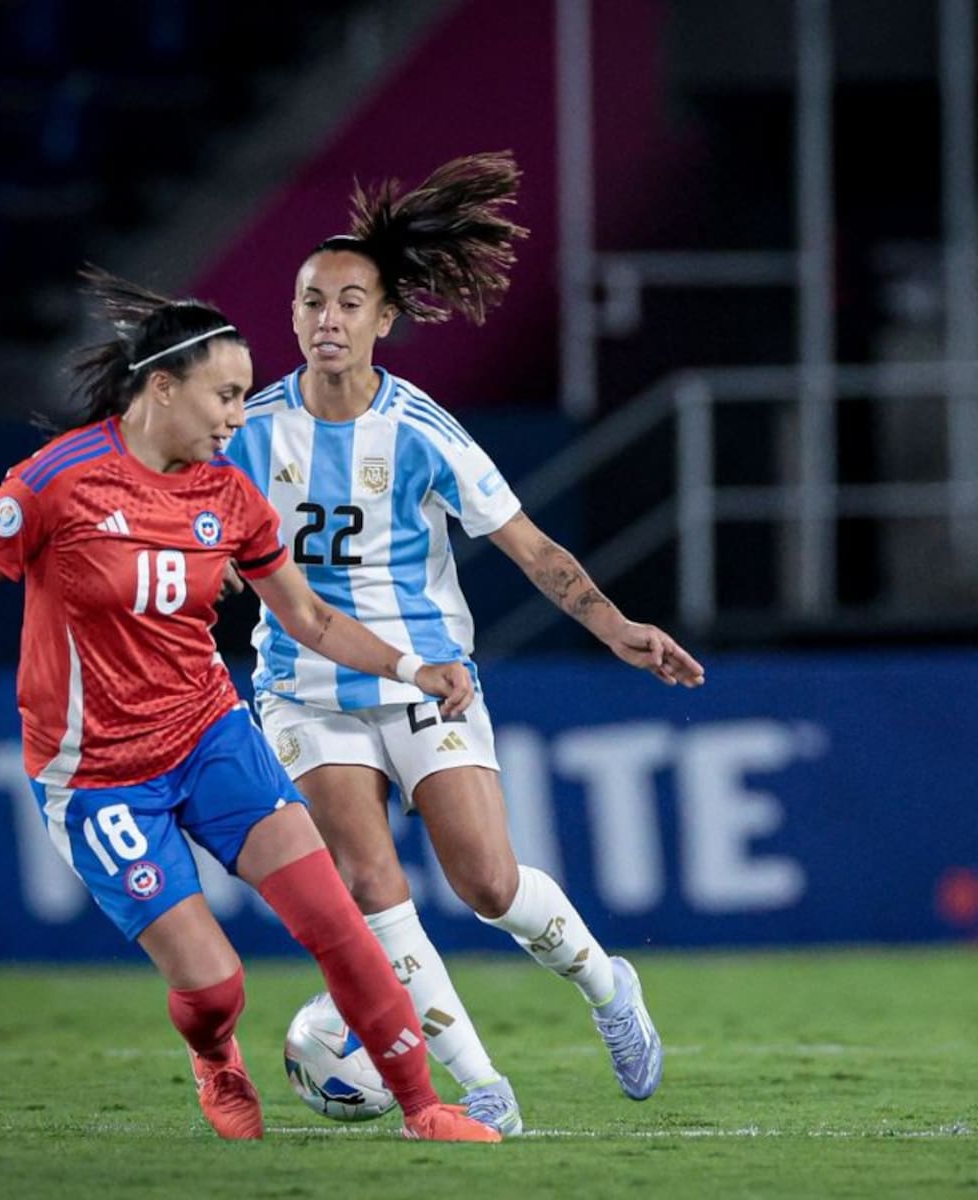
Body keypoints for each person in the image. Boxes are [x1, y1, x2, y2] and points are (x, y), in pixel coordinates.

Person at [0, 269, 500, 1145]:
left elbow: (311, 616)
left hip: (211, 738)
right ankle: (216, 1055)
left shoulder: (228, 494)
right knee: (216, 987)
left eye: (244, 397)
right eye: (224, 395)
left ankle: (424, 1108)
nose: (235, 415)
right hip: (96, 777)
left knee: (336, 921)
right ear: (162, 387)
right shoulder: (56, 481)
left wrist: (415, 664)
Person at [224, 152, 706, 1136]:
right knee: (371, 886)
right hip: (305, 694)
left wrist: (615, 626)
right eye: (310, 299)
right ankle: (479, 1085)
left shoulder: (421, 431)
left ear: (384, 318)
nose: (326, 318)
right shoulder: (249, 428)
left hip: (427, 685)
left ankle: (609, 986)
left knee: (488, 884)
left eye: (349, 302)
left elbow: (527, 544)